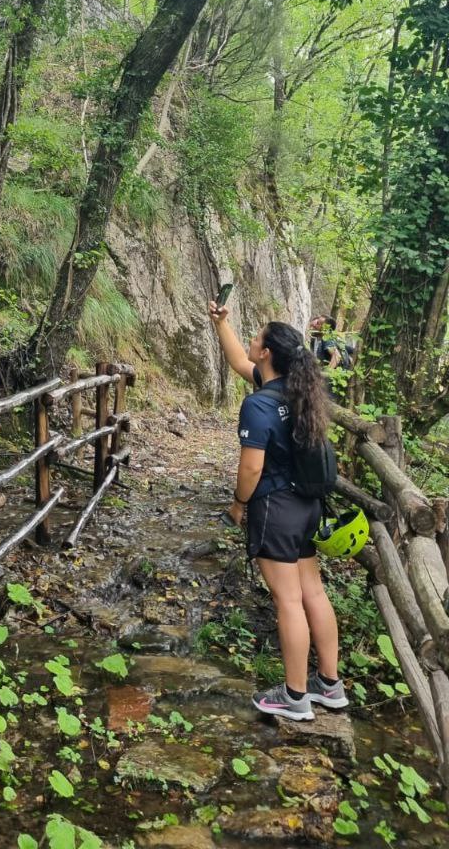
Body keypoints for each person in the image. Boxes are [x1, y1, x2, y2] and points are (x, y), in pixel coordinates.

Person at [209, 300, 348, 721]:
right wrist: (223, 324)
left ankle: (294, 695)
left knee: (288, 601)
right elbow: (237, 359)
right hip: (308, 507)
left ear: (267, 353)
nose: (250, 341)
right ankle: (329, 684)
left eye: (256, 337)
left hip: (277, 509)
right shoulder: (300, 390)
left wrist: (237, 505)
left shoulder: (259, 405)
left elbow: (251, 467)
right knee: (313, 593)